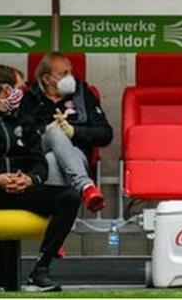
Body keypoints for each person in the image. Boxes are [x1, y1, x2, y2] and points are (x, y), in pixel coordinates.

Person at [0, 65, 80, 292]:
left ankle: (41, 270)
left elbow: (39, 162)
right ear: (5, 90)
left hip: (23, 189)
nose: (24, 92)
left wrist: (31, 179)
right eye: (20, 87)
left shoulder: (25, 122)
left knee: (69, 197)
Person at [19, 52, 112, 213]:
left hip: (76, 156)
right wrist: (45, 130)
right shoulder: (29, 98)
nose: (70, 78)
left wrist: (74, 132)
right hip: (38, 153)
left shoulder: (83, 94)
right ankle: (86, 187)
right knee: (54, 132)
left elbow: (105, 134)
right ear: (46, 79)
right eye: (63, 74)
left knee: (53, 159)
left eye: (70, 72)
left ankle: (54, 215)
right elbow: (19, 134)